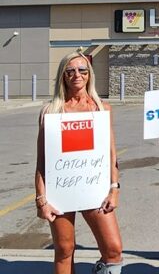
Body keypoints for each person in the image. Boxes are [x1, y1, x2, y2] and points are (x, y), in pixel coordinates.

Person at [34, 51, 123, 274]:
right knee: (64, 249)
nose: (77, 75)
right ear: (63, 75)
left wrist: (114, 188)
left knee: (113, 250)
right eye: (70, 71)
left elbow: (112, 155)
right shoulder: (51, 112)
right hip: (61, 190)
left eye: (82, 70)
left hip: (95, 188)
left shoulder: (102, 109)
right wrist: (41, 200)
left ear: (89, 74)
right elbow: (42, 162)